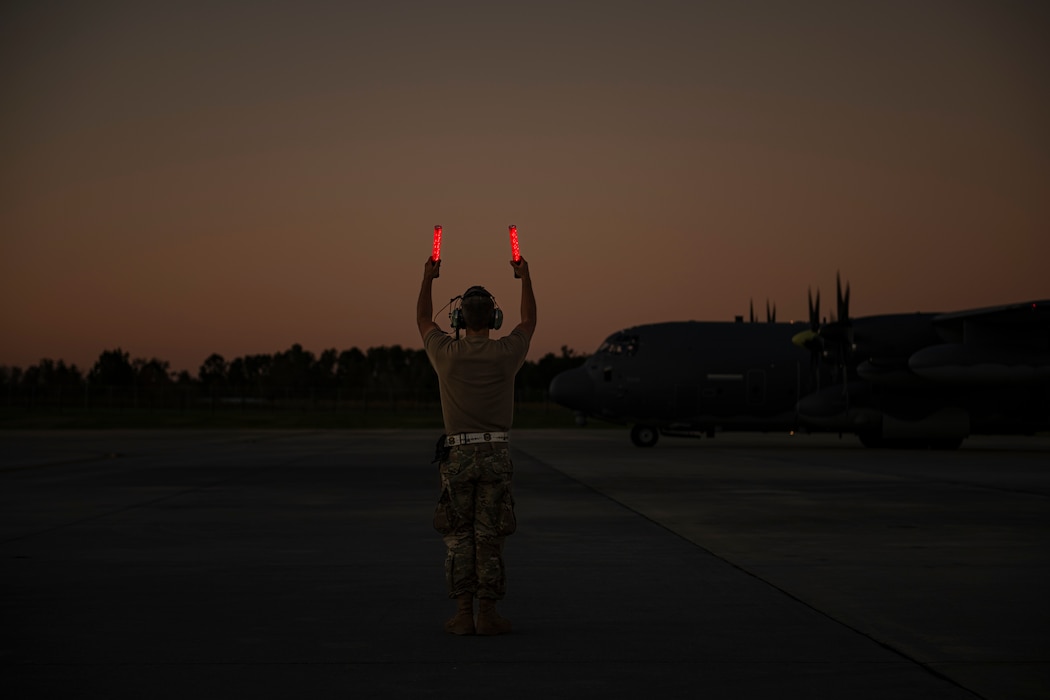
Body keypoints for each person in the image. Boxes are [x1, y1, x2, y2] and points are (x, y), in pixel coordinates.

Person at [417, 255, 536, 635]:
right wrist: (525, 278)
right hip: (496, 455)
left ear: (459, 320)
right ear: (494, 320)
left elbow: (422, 319)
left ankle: (463, 614)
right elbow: (529, 322)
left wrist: (427, 278)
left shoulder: (446, 355)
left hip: (459, 456)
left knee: (458, 536)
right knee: (490, 535)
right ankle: (488, 614)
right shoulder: (506, 354)